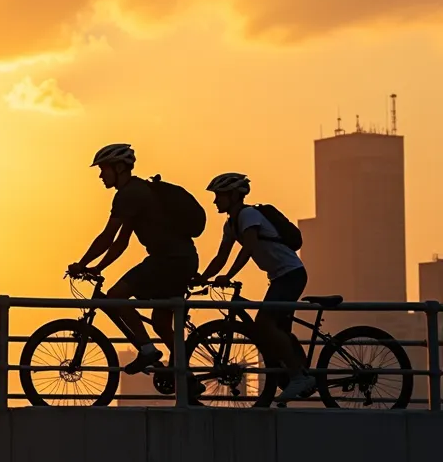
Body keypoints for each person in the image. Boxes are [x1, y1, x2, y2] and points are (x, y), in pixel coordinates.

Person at [68, 143, 200, 378]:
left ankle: (147, 350)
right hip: (183, 260)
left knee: (115, 298)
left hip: (167, 261)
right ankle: (187, 378)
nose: (100, 175)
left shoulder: (129, 194)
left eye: (103, 169)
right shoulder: (139, 192)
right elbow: (121, 242)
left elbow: (108, 236)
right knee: (160, 324)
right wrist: (97, 267)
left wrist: (81, 263)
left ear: (119, 167)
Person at [196, 172, 315, 402]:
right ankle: (298, 372)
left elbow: (248, 248)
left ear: (233, 195)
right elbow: (221, 256)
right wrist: (202, 277)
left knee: (264, 324)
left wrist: (228, 276)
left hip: (291, 275)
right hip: (280, 277)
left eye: (219, 196)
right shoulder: (231, 224)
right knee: (276, 330)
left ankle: (299, 377)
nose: (215, 201)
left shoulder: (249, 215)